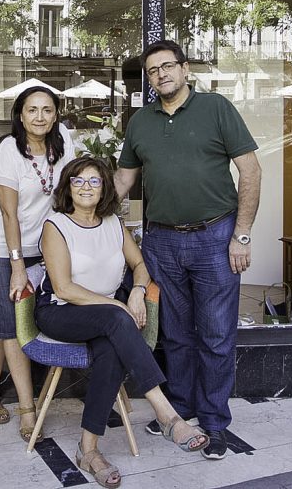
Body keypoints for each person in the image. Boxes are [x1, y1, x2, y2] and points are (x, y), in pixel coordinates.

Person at [114, 40, 261, 461]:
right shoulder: (140, 121)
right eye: (153, 70)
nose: (161, 75)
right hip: (160, 239)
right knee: (175, 335)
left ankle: (214, 424)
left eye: (167, 66)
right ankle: (178, 412)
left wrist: (242, 234)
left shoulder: (216, 108)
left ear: (185, 69)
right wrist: (84, 208)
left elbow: (250, 170)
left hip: (216, 237)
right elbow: (122, 182)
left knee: (216, 335)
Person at [38, 157, 208, 488]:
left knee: (112, 351)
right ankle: (167, 414)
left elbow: (139, 263)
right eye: (78, 181)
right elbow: (63, 288)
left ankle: (88, 450)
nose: (86, 187)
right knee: (115, 319)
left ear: (105, 188)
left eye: (94, 181)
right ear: (67, 188)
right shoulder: (55, 225)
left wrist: (138, 290)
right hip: (60, 311)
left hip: (103, 318)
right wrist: (117, 303)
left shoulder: (113, 223)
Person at [0, 85, 74, 441]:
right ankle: (28, 411)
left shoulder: (64, 144)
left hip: (34, 244)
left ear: (55, 114)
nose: (39, 117)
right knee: (13, 318)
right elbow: (9, 215)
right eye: (32, 110)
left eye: (46, 110)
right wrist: (16, 267)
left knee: (0, 316)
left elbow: (67, 196)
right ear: (21, 115)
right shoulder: (9, 150)